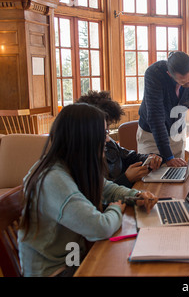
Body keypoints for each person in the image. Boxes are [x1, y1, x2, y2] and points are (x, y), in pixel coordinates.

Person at [18, 103, 157, 277]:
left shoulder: (71, 164)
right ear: (85, 137)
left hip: (73, 257)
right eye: (104, 133)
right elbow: (100, 228)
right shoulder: (52, 179)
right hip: (56, 271)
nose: (107, 140)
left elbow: (107, 188)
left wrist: (135, 196)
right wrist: (116, 207)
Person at [77, 90, 162, 188]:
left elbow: (129, 157)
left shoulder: (109, 144)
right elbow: (100, 194)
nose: (107, 137)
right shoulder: (80, 159)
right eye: (104, 129)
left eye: (108, 127)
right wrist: (126, 179)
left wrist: (150, 159)